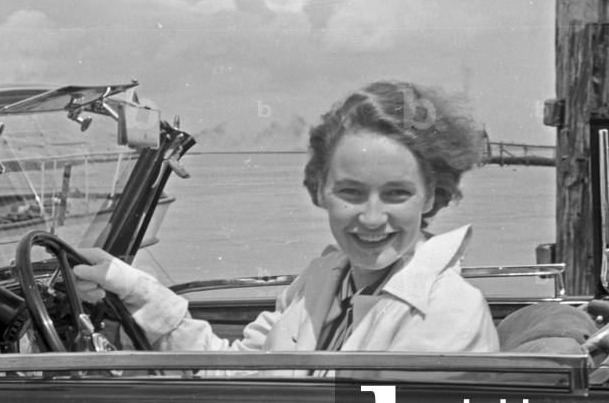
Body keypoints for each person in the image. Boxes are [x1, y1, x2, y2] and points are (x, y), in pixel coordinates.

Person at [72, 81, 499, 362]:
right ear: (320, 191)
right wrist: (132, 289)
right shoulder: (322, 281)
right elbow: (240, 372)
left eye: (396, 194)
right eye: (350, 193)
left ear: (432, 197)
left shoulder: (448, 313)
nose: (371, 217)